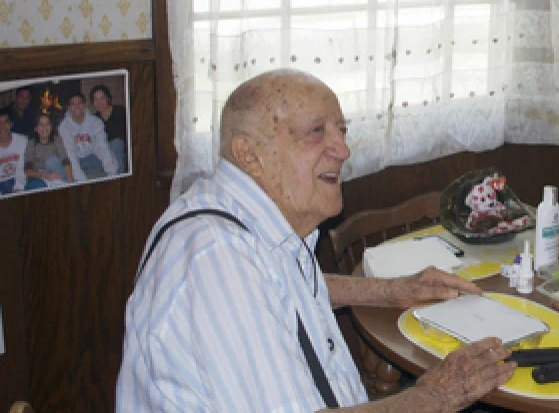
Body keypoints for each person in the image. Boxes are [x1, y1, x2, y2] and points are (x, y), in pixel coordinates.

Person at [117, 69, 516, 411]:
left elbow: (277, 287)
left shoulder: (245, 225)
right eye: (315, 132)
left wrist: (391, 290)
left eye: (341, 131)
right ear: (249, 154)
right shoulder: (214, 259)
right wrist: (435, 396)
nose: (342, 149)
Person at [58, 93, 118, 181]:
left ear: (85, 104)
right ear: (69, 107)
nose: (77, 107)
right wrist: (81, 179)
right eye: (73, 104)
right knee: (61, 164)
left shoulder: (96, 122)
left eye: (79, 103)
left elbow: (102, 145)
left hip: (93, 157)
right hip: (77, 160)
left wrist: (111, 171)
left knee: (114, 150)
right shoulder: (64, 126)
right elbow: (70, 152)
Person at [24, 113, 73, 190]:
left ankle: (64, 184)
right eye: (41, 124)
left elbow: (65, 161)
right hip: (39, 175)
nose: (44, 127)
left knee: (51, 160)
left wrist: (70, 182)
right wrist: (45, 175)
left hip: (56, 172)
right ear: (36, 128)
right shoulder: (31, 143)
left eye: (47, 124)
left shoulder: (57, 140)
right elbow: (28, 171)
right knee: (34, 186)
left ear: (51, 127)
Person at [90, 84, 128, 174]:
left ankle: (117, 176)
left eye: (102, 98)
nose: (99, 102)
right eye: (96, 99)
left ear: (108, 99)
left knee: (116, 143)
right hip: (104, 149)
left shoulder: (120, 111)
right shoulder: (94, 119)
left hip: (120, 147)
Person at [0, 108, 28, 195]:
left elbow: (22, 168)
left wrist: (18, 188)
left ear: (11, 124)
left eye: (5, 122)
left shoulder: (22, 141)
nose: (2, 126)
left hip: (17, 179)